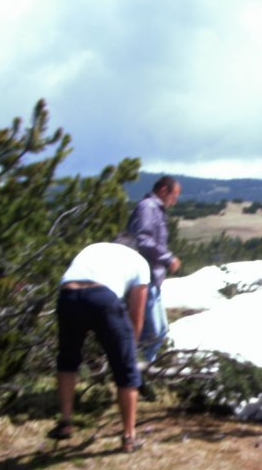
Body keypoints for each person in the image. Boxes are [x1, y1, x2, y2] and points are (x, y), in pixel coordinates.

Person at [50, 242, 150, 453]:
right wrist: (131, 348)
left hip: (67, 294)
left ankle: (65, 422)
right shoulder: (140, 261)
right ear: (135, 248)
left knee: (67, 359)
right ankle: (129, 436)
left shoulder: (93, 248)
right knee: (125, 369)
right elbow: (137, 312)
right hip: (102, 297)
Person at [125, 175, 182, 400]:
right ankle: (136, 380)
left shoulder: (155, 209)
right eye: (174, 196)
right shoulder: (148, 207)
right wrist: (168, 258)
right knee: (152, 333)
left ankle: (139, 378)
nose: (175, 201)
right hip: (143, 279)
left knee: (158, 332)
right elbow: (143, 240)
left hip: (152, 279)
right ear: (164, 190)